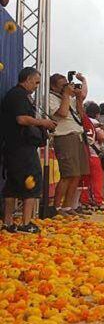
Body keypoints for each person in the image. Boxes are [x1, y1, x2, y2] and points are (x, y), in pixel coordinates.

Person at [1, 67, 57, 233]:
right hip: (22, 148)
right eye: (36, 82)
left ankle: (8, 223)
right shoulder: (18, 96)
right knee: (32, 182)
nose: (37, 86)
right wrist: (43, 123)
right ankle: (26, 223)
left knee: (12, 185)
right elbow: (21, 119)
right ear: (28, 79)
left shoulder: (15, 95)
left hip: (12, 147)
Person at [49, 72, 90, 216]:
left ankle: (68, 206)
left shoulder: (69, 97)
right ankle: (56, 208)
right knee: (67, 174)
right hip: (64, 137)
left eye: (67, 84)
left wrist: (78, 98)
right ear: (54, 86)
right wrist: (66, 95)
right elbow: (63, 113)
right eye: (63, 85)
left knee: (77, 174)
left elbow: (81, 114)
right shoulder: (50, 97)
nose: (67, 87)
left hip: (77, 136)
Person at [81, 102, 104, 211]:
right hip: (94, 154)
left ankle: (84, 201)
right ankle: (98, 201)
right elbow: (102, 137)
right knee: (97, 179)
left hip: (84, 154)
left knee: (85, 179)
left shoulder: (83, 121)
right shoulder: (95, 123)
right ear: (97, 114)